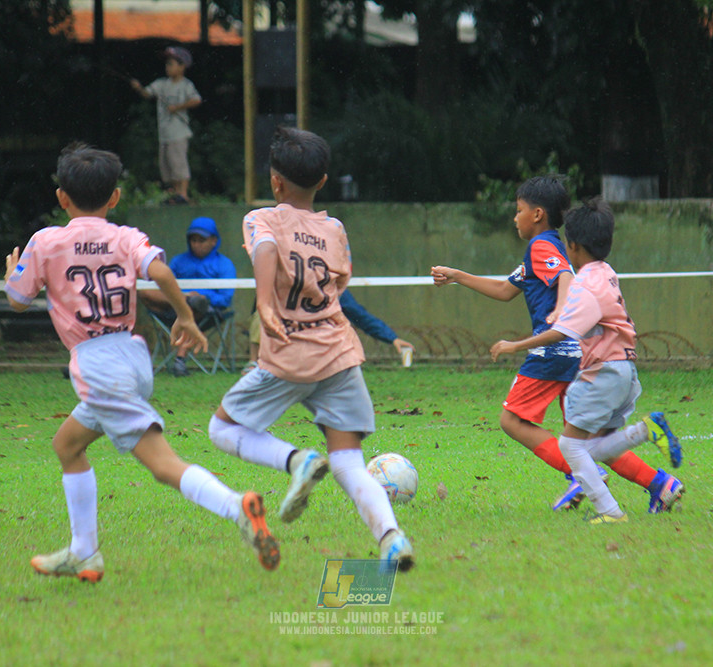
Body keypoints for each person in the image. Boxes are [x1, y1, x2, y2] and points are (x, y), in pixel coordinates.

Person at [3, 143, 279, 581]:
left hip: (97, 365)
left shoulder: (45, 242)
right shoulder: (126, 236)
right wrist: (186, 318)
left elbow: (18, 300)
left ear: (61, 197)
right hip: (132, 356)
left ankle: (238, 508)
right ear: (114, 197)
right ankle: (84, 552)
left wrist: (11, 274)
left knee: (161, 464)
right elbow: (164, 274)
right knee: (68, 445)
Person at [207, 126, 414, 571]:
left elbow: (264, 248)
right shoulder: (336, 229)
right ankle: (392, 537)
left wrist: (265, 301)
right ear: (323, 182)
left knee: (222, 430)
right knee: (348, 462)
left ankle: (296, 460)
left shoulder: (261, 218)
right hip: (338, 353)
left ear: (274, 181)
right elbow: (340, 284)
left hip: (288, 351)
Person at [432, 177, 683, 514]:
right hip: (575, 355)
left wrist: (560, 310)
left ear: (537, 214)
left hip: (552, 352)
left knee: (511, 421)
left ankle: (580, 475)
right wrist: (458, 276)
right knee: (589, 441)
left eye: (518, 210)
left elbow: (565, 276)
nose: (514, 217)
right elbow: (505, 290)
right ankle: (660, 483)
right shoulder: (543, 248)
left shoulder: (542, 246)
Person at [141, 216, 236, 376]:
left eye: (202, 240)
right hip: (172, 306)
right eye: (193, 240)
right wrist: (184, 298)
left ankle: (180, 357)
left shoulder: (224, 264)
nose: (196, 244)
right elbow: (163, 285)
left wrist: (202, 296)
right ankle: (186, 299)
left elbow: (226, 298)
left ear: (214, 240)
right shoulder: (178, 261)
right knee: (144, 290)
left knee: (197, 303)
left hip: (206, 312)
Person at [242, 290, 415, 374]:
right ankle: (255, 364)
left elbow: (358, 314)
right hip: (282, 355)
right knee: (262, 315)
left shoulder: (330, 284)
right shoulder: (281, 278)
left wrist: (392, 338)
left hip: (319, 359)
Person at [130, 45, 202, 205]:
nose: (167, 67)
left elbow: (196, 100)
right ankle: (175, 194)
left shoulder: (186, 85)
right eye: (167, 64)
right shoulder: (162, 84)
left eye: (171, 64)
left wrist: (177, 107)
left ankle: (183, 194)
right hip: (164, 133)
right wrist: (138, 88)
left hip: (179, 132)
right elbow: (147, 93)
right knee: (167, 165)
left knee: (179, 162)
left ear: (182, 66)